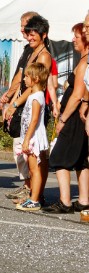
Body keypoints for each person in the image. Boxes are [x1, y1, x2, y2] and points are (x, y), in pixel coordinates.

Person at [2, 14, 53, 202]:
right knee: (30, 153)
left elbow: (33, 86)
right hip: (27, 104)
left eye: (34, 35)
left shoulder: (44, 56)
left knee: (37, 153)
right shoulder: (31, 52)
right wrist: (12, 100)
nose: (30, 37)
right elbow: (22, 81)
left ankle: (37, 195)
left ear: (44, 35)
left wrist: (15, 104)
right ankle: (32, 191)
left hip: (36, 106)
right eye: (29, 34)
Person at [44, 21, 89, 214]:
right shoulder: (83, 60)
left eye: (77, 37)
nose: (74, 40)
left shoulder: (84, 62)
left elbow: (79, 93)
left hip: (73, 117)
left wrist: (62, 120)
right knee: (80, 159)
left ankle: (65, 201)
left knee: (59, 157)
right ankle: (84, 199)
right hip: (80, 115)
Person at [15, 62, 49, 211]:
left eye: (27, 77)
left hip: (34, 137)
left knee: (34, 170)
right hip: (32, 136)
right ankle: (33, 196)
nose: (24, 79)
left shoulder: (37, 97)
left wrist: (27, 140)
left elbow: (34, 120)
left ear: (35, 79)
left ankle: (34, 200)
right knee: (33, 169)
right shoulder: (35, 94)